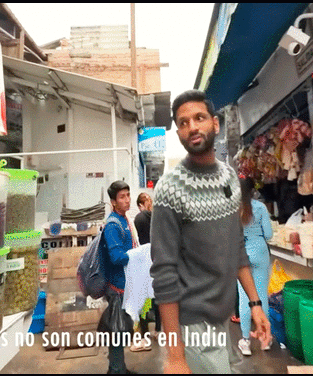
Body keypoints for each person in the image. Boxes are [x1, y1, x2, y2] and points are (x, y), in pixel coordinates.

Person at [150, 90, 271, 374]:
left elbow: (236, 246)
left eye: (199, 118)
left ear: (215, 124)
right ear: (178, 133)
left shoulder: (229, 177)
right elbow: (163, 273)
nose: (192, 126)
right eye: (183, 122)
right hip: (193, 323)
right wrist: (175, 356)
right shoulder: (170, 190)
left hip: (222, 318)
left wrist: (255, 304)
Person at [100, 180, 138, 374]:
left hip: (125, 285)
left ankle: (118, 367)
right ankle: (116, 370)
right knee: (117, 330)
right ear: (113, 202)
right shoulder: (113, 225)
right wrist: (137, 256)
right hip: (116, 287)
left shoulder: (125, 219)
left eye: (128, 195)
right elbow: (116, 257)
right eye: (122, 197)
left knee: (122, 329)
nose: (127, 200)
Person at [236, 176, 274, 356]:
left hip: (241, 254)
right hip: (260, 252)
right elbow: (268, 234)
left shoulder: (233, 209)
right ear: (253, 190)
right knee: (261, 298)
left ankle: (245, 341)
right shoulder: (260, 207)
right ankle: (265, 339)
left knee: (245, 298)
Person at [130, 192, 161, 352]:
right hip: (158, 260)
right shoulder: (158, 217)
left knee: (143, 299)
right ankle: (158, 330)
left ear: (140, 205)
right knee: (156, 297)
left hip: (144, 260)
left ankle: (143, 336)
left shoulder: (139, 219)